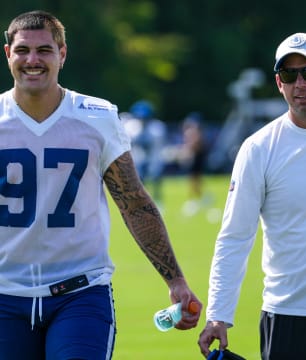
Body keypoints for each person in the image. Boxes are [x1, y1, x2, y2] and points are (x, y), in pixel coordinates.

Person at [0, 10, 202, 360]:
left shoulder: (96, 116)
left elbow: (134, 202)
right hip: (4, 293)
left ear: (62, 54)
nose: (32, 60)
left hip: (79, 292)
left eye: (44, 50)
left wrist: (176, 281)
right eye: (22, 50)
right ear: (8, 54)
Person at [198, 32, 306, 360]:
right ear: (278, 83)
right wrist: (218, 313)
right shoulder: (258, 149)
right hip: (290, 315)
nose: (300, 83)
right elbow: (234, 237)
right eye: (290, 74)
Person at [122, 100, 167, 208]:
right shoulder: (131, 127)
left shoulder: (157, 129)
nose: (142, 120)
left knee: (156, 179)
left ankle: (157, 200)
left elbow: (153, 145)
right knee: (139, 182)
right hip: (138, 159)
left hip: (153, 158)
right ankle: (143, 202)